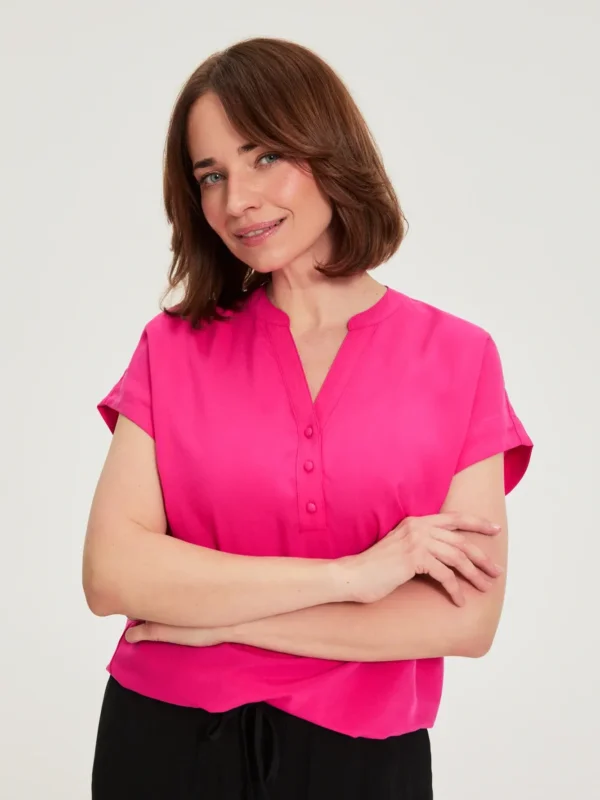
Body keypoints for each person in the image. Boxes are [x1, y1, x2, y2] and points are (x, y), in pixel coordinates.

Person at [83, 36, 533, 800]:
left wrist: (220, 623)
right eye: (211, 175)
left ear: (328, 150)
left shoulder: (459, 358)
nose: (237, 200)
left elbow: (463, 621)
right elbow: (112, 574)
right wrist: (353, 579)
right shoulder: (172, 348)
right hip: (165, 744)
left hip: (364, 761)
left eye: (264, 157)